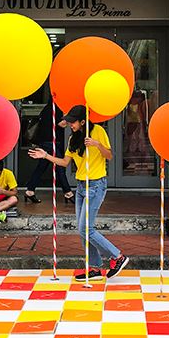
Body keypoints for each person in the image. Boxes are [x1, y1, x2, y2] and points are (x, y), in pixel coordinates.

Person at [29, 105, 129, 281]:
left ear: (83, 121)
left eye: (72, 122)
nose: (69, 125)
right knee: (82, 230)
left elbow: (110, 156)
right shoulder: (72, 139)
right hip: (81, 187)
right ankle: (95, 268)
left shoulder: (97, 131)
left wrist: (97, 144)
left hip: (96, 185)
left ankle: (118, 257)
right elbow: (64, 162)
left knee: (86, 229)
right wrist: (45, 156)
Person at [24, 99, 75, 204]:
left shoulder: (46, 108)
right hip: (52, 142)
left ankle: (30, 191)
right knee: (60, 167)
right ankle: (68, 192)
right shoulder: (55, 109)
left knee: (41, 168)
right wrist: (68, 116)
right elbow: (62, 124)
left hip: (45, 142)